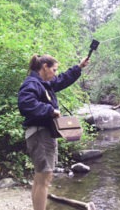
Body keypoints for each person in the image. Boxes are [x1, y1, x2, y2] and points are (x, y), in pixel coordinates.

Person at [18, 54, 89, 210]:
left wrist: (79, 67)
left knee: (40, 178)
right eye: (54, 69)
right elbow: (25, 104)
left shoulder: (43, 84)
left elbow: (62, 79)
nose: (56, 73)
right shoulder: (32, 83)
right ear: (45, 67)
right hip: (40, 135)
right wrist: (50, 110)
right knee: (44, 179)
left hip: (41, 135)